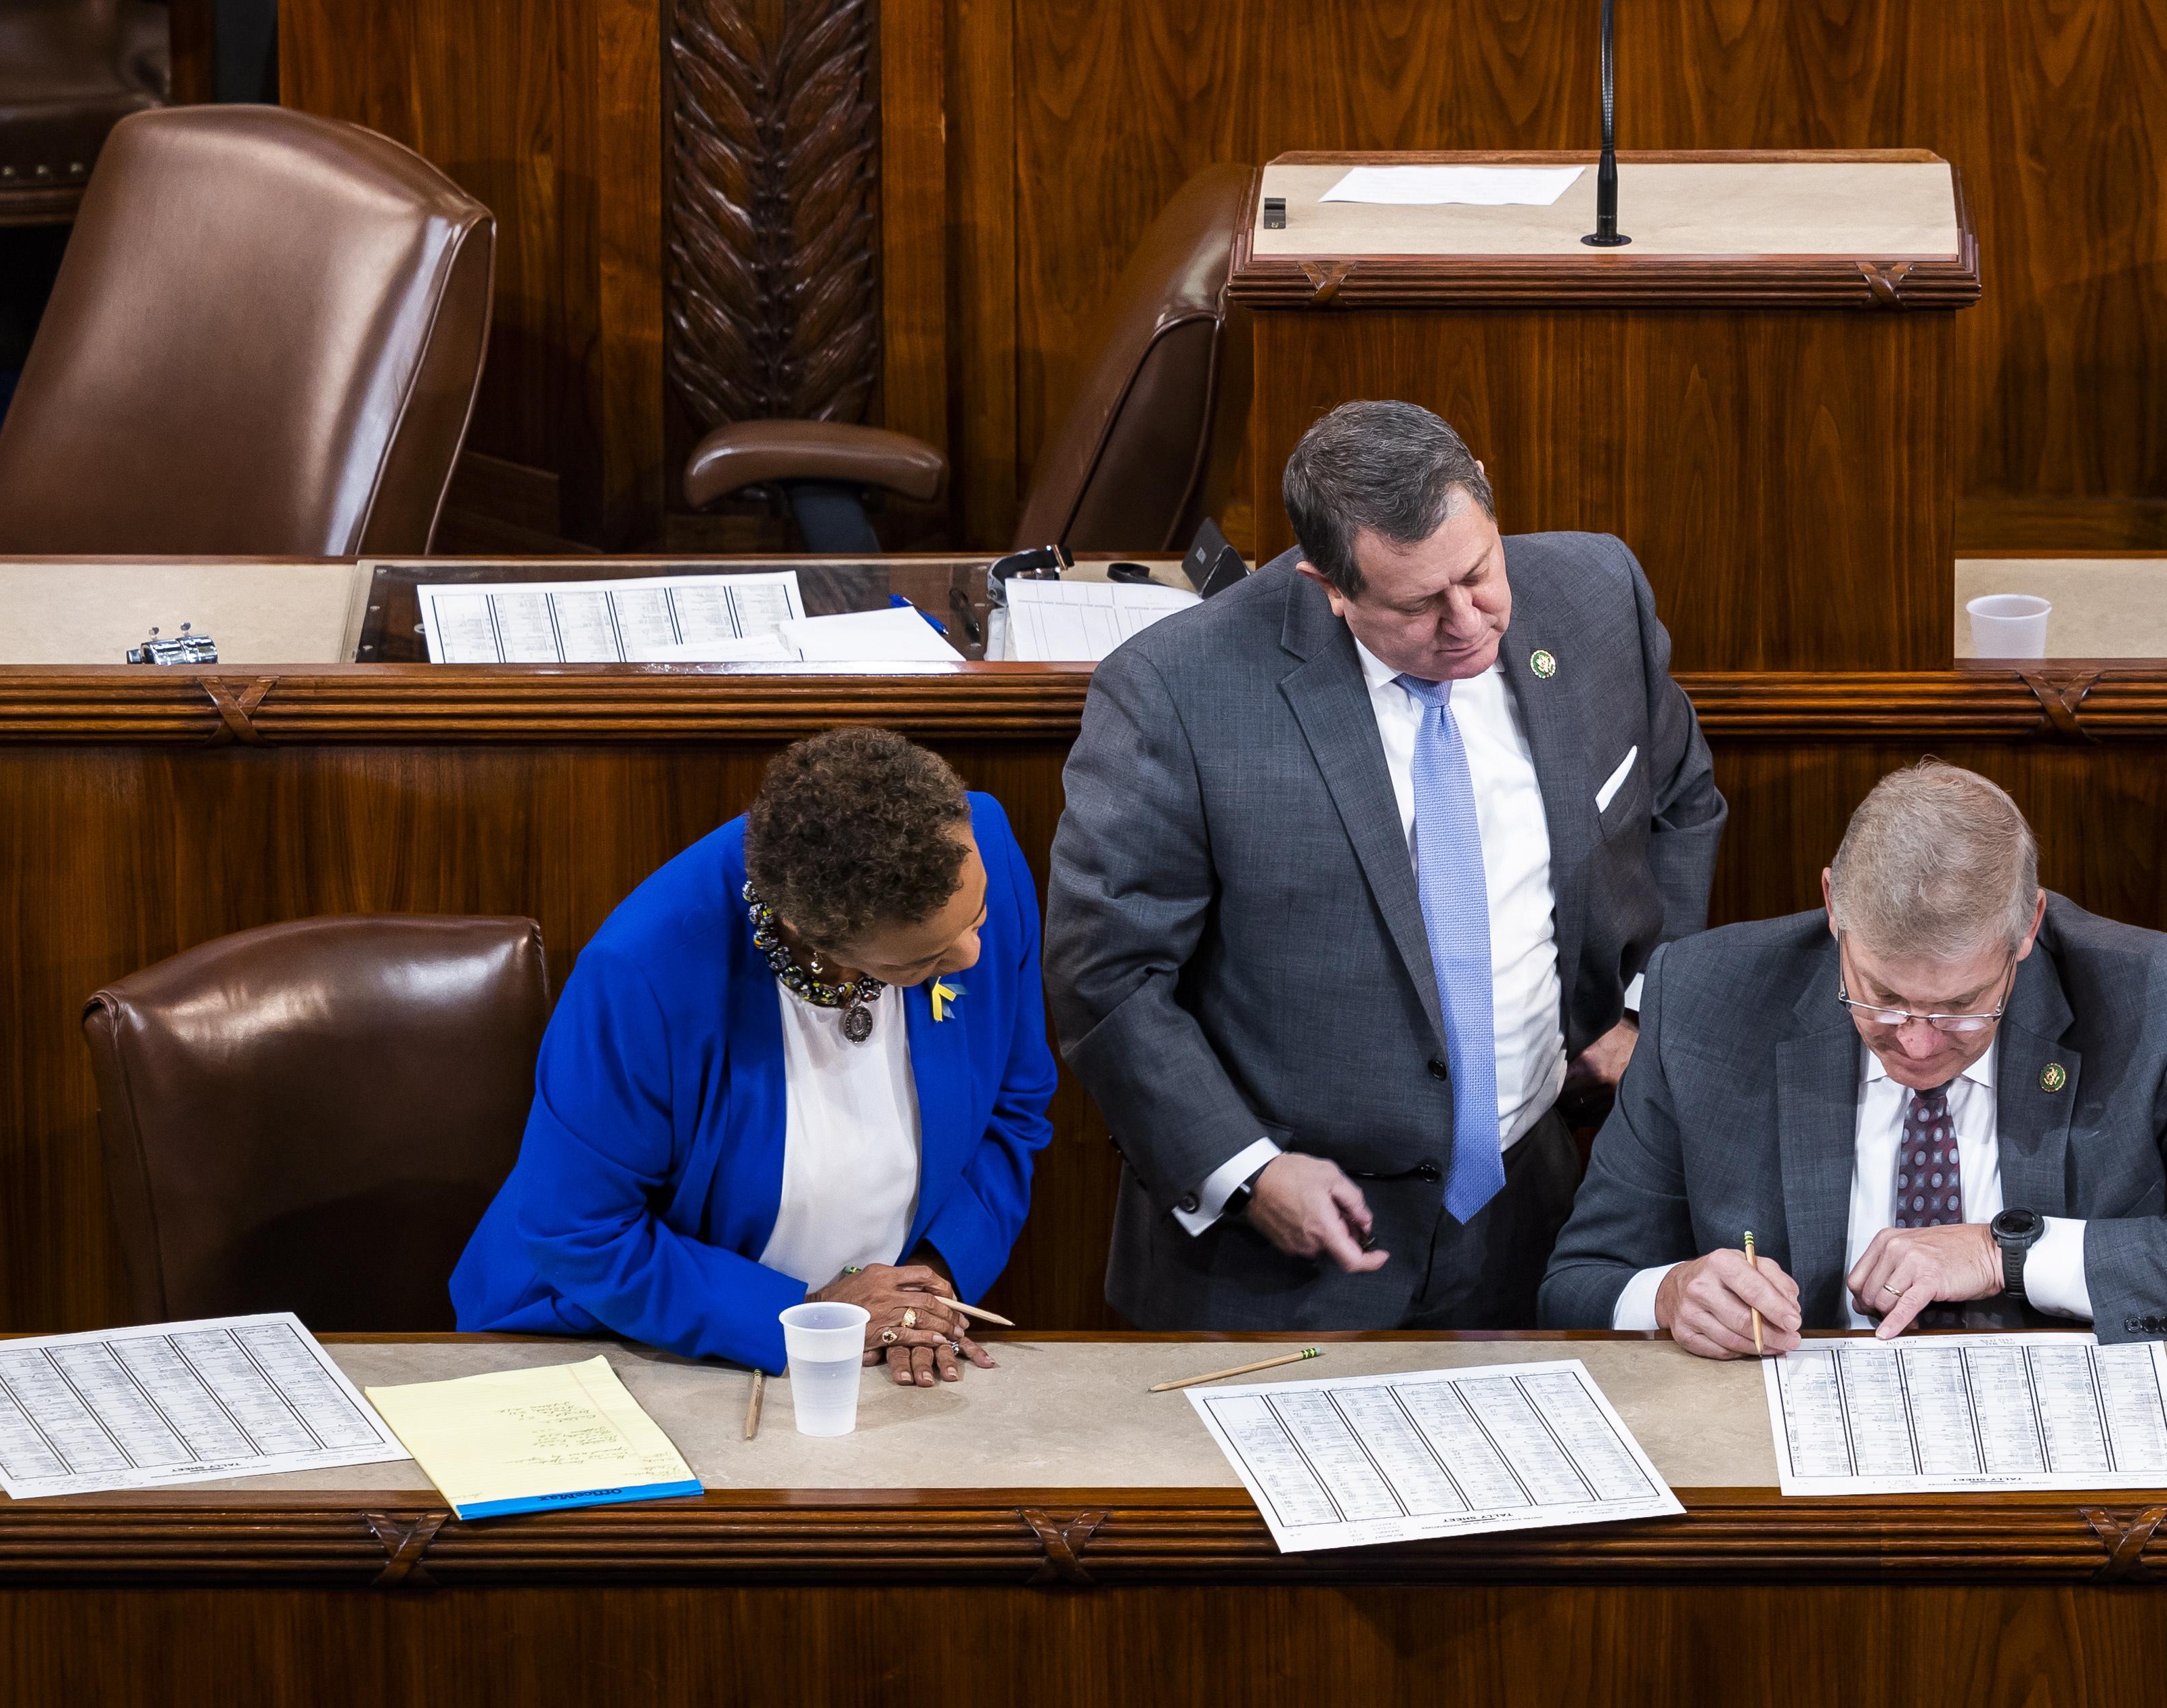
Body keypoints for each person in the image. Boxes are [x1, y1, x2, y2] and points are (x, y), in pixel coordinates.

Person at [1047, 397, 1722, 1328]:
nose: (1467, 621)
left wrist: (1648, 1004)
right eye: (1415, 604)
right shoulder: (1174, 691)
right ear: (1328, 584)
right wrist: (1245, 1169)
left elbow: (1681, 799)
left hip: (1536, 1217)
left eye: (1478, 573)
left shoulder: (1595, 592)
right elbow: (1109, 975)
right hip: (1276, 1268)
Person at [1544, 761, 2167, 1351]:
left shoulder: (2163, 1000)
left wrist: (2005, 1253)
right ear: (1834, 907)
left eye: (1963, 1006)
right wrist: (1670, 1294)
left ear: (2027, 929)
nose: (1919, 1041)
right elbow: (1578, 1282)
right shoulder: (1707, 998)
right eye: (1881, 997)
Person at [456, 727, 1051, 1386]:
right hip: (640, 1340)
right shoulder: (643, 974)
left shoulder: (973, 843)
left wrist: (924, 1292)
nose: (973, 953)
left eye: (980, 912)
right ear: (821, 940)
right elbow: (579, 1230)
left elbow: (1015, 1104)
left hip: (873, 1348)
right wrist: (802, 1319)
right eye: (924, 960)